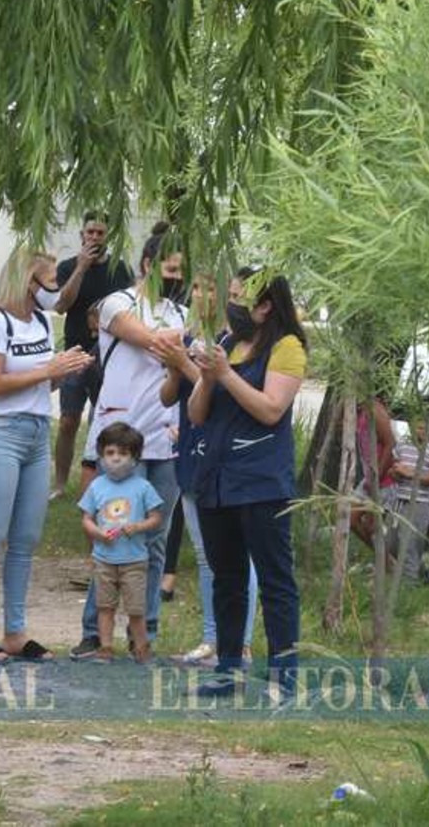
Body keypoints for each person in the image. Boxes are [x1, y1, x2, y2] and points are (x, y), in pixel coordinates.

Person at [0, 247, 91, 664]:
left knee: (26, 539)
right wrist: (49, 371)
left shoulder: (42, 321)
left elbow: (37, 384)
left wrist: (64, 371)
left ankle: (15, 631)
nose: (55, 292)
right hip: (0, 433)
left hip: (36, 432)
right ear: (26, 281)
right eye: (49, 282)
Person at [67, 228, 187, 661]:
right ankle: (93, 635)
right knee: (111, 540)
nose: (176, 278)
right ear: (148, 266)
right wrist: (195, 334)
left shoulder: (180, 312)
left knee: (155, 541)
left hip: (166, 439)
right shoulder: (119, 303)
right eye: (169, 270)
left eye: (181, 272)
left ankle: (145, 635)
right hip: (121, 442)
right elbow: (149, 339)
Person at [187, 268, 307, 699]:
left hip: (261, 482)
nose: (230, 305)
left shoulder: (287, 346)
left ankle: (284, 676)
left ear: (265, 305)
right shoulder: (226, 343)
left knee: (276, 581)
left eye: (239, 298)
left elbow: (272, 409)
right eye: (230, 296)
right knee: (227, 578)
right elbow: (197, 415)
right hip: (216, 480)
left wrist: (226, 375)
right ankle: (227, 669)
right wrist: (205, 376)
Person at [152, 274, 258, 667]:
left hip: (225, 453)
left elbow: (227, 391)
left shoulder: (236, 341)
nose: (204, 295)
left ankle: (241, 642)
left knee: (237, 554)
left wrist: (188, 364)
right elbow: (167, 397)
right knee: (204, 553)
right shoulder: (187, 336)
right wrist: (176, 367)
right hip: (190, 451)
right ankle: (213, 639)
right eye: (197, 287)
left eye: (214, 288)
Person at [50, 213, 134, 498]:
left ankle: (104, 478)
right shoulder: (67, 267)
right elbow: (61, 305)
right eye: (91, 232)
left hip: (108, 357)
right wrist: (82, 268)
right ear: (82, 235)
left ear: (107, 236)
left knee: (107, 421)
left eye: (100, 233)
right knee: (68, 420)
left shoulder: (119, 269)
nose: (95, 237)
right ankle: (60, 483)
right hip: (74, 352)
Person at [77, 422, 165, 663]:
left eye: (123, 453)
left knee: (136, 609)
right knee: (105, 607)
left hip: (135, 560)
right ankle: (105, 648)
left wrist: (138, 527)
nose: (116, 459)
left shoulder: (143, 487)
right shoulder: (97, 486)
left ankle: (141, 648)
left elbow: (157, 517)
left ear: (135, 458)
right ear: (102, 455)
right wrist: (97, 533)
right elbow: (86, 518)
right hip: (104, 559)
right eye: (110, 453)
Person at [385, 418, 429, 586]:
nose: (422, 431)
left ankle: (409, 584)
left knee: (410, 541)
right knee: (392, 541)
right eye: (418, 427)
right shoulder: (403, 444)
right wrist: (396, 472)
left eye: (426, 427)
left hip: (420, 502)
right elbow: (394, 469)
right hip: (399, 499)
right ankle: (422, 571)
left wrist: (412, 474)